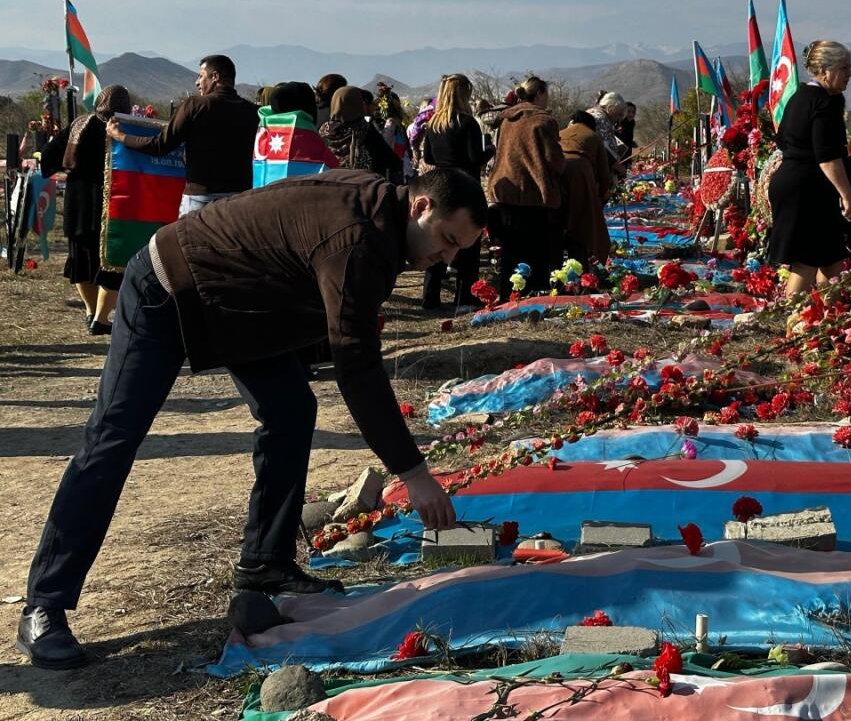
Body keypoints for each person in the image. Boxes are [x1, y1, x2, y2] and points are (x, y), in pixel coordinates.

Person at [17, 168, 487, 670]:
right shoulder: (358, 237)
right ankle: (44, 604)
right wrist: (412, 473)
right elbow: (356, 362)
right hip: (168, 285)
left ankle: (265, 564)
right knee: (112, 440)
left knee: (291, 411)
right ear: (420, 206)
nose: (448, 257)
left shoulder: (382, 216)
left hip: (238, 304)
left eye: (460, 249)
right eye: (447, 240)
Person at [107, 55, 258, 217]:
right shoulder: (253, 112)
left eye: (201, 76)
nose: (197, 82)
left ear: (215, 77)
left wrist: (121, 136)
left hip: (201, 200)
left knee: (189, 242)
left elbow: (159, 145)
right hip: (239, 201)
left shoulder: (195, 106)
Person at [767, 41, 851, 296]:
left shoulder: (800, 97)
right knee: (806, 262)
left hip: (797, 182)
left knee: (830, 257)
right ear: (824, 69)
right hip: (807, 188)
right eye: (844, 68)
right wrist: (848, 196)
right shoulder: (823, 103)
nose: (849, 75)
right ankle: (793, 324)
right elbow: (827, 156)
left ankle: (830, 319)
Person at [39, 85, 133, 335]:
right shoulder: (129, 129)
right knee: (112, 263)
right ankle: (101, 318)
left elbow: (47, 157)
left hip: (78, 204)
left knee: (81, 260)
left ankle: (92, 312)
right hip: (114, 204)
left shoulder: (79, 125)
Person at [488, 75, 565, 297]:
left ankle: (508, 294)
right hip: (533, 192)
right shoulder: (543, 121)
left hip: (505, 190)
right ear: (540, 94)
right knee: (536, 250)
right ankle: (534, 294)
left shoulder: (507, 120)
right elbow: (554, 160)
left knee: (511, 250)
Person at [420, 74, 493, 310]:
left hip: (440, 186)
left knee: (438, 240)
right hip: (465, 185)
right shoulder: (467, 123)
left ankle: (430, 297)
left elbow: (428, 157)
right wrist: (490, 149)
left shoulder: (433, 124)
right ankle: (465, 297)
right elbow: (475, 157)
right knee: (467, 242)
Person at [559, 110, 614, 265]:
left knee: (560, 220)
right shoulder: (592, 135)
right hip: (580, 176)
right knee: (582, 221)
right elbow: (604, 172)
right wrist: (603, 194)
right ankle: (579, 265)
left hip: (555, 173)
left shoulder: (561, 132)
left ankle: (556, 269)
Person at [320, 87, 401, 180]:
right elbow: (390, 159)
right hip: (361, 184)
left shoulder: (324, 129)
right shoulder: (364, 128)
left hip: (329, 181)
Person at [588, 91, 628, 173]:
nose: (619, 120)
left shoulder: (591, 112)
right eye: (619, 115)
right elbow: (604, 149)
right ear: (610, 108)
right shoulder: (602, 119)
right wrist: (617, 166)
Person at [618, 101, 638, 166]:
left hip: (627, 152)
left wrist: (631, 143)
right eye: (628, 112)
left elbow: (628, 137)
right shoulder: (619, 122)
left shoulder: (632, 123)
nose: (631, 114)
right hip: (619, 154)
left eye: (633, 112)